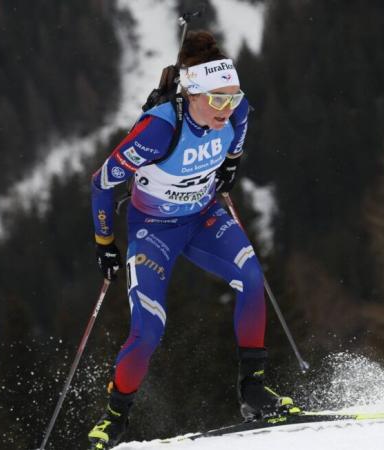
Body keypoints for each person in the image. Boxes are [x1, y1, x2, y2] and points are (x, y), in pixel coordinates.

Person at [87, 30, 297, 450]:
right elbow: (101, 182)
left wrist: (229, 169)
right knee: (149, 330)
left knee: (252, 279)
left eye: (233, 97)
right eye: (217, 100)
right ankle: (115, 418)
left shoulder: (236, 113)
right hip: (154, 231)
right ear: (192, 94)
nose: (227, 109)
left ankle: (253, 390)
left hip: (203, 217)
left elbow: (233, 152)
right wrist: (106, 243)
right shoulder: (158, 130)